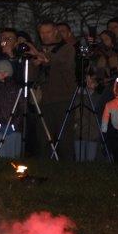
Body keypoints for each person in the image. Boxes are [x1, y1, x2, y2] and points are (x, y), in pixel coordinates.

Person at [33, 21, 77, 159]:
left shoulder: (67, 48)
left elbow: (63, 64)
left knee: (64, 139)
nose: (45, 36)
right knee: (43, 139)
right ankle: (45, 166)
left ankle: (67, 168)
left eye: (48, 32)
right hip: (44, 100)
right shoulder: (39, 50)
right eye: (42, 33)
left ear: (55, 32)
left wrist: (45, 58)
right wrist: (34, 63)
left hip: (63, 99)